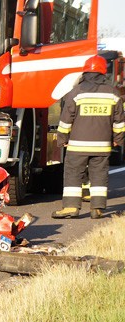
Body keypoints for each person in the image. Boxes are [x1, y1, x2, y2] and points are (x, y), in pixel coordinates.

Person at [52, 55, 125, 219]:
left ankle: (71, 208)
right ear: (103, 72)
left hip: (77, 146)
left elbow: (66, 119)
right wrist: (118, 140)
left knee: (73, 174)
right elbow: (119, 121)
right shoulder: (113, 93)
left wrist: (62, 139)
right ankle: (97, 208)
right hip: (102, 146)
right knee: (99, 176)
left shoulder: (76, 92)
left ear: (85, 72)